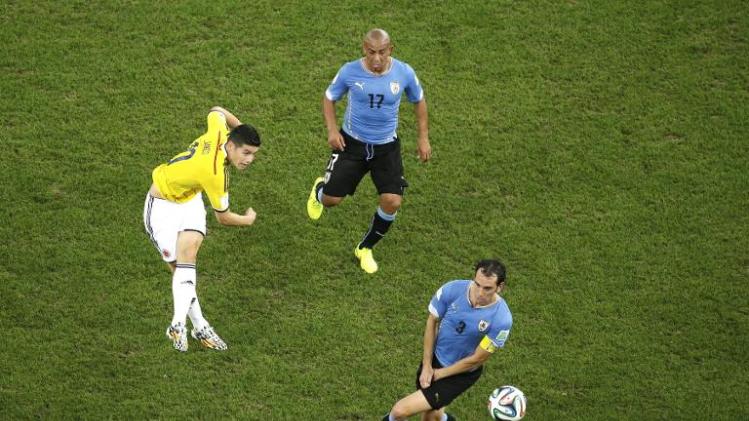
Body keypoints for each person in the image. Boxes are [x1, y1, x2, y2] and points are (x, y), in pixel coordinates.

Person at [306, 28, 432, 274]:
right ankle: (320, 189)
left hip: (386, 147)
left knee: (392, 200)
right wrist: (332, 131)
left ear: (390, 50)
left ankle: (364, 247)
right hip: (352, 144)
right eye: (371, 52)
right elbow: (329, 97)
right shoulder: (349, 71)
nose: (377, 59)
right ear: (364, 49)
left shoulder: (404, 72)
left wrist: (423, 137)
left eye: (382, 52)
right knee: (331, 201)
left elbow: (418, 100)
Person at [143, 106, 261, 352]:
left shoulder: (219, 132)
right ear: (231, 146)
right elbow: (224, 218)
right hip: (161, 207)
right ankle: (199, 325)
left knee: (189, 257)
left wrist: (240, 128)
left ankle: (177, 324)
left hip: (189, 198)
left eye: (253, 154)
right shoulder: (216, 174)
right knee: (178, 269)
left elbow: (216, 110)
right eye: (246, 152)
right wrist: (247, 219)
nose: (249, 160)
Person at [382, 259, 513, 421]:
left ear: (500, 287)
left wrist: (439, 374)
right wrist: (427, 365)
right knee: (432, 417)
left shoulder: (502, 319)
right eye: (477, 284)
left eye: (487, 288)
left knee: (399, 411)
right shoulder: (452, 289)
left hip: (460, 374)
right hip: (436, 360)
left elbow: (477, 359)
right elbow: (432, 321)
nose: (479, 292)